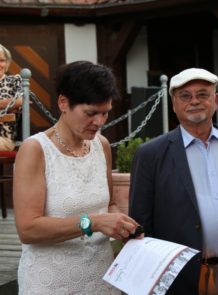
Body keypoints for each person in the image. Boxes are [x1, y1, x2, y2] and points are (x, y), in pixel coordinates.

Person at [129, 68, 218, 295]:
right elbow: (141, 225)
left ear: (215, 100)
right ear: (173, 104)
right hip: (180, 278)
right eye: (185, 96)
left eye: (202, 94)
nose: (195, 102)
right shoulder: (151, 154)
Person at [13, 61, 139, 294]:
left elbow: (108, 204)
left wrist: (123, 225)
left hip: (101, 278)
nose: (100, 122)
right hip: (51, 282)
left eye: (105, 112)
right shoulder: (36, 150)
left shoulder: (101, 145)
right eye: (91, 113)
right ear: (63, 103)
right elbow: (28, 229)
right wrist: (93, 222)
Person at [0, 44, 23, 151]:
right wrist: (7, 104)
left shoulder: (14, 80)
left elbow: (19, 101)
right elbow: (13, 103)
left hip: (4, 137)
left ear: (7, 63)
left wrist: (14, 103)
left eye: (1, 60)